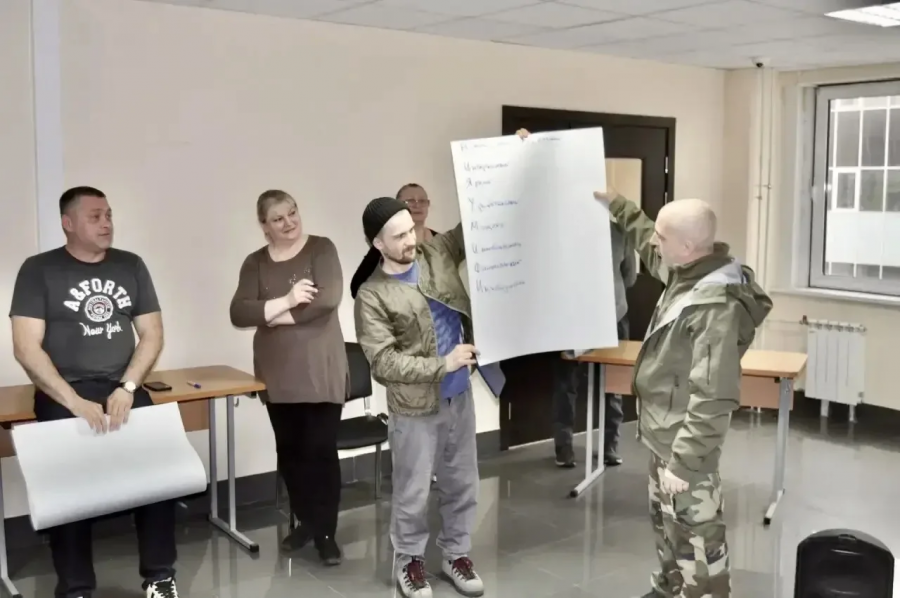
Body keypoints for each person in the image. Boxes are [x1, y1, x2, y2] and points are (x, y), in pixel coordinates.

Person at [593, 187, 772, 598]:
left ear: (687, 246)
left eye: (663, 237)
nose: (655, 243)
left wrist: (685, 462)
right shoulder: (686, 271)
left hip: (686, 445)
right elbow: (645, 238)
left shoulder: (714, 306)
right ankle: (670, 587)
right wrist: (618, 204)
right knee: (667, 524)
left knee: (697, 538)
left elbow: (713, 396)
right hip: (665, 433)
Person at [9, 186, 177, 598]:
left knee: (159, 478)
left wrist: (128, 387)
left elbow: (152, 334)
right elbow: (26, 347)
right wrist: (73, 402)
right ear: (68, 223)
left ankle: (160, 577)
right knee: (70, 491)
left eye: (109, 215)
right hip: (64, 393)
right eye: (95, 216)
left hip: (123, 387)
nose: (106, 224)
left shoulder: (130, 265)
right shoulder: (38, 270)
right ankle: (76, 588)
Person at [354, 197, 482, 598]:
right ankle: (409, 561)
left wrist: (507, 173)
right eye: (399, 236)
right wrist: (443, 364)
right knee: (413, 493)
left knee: (462, 485)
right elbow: (384, 363)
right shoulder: (371, 296)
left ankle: (456, 554)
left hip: (460, 399)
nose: (411, 240)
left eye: (411, 230)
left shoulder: (437, 251)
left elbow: (476, 226)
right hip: (413, 411)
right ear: (378, 244)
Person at [229, 189, 347, 566]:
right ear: (264, 226)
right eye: (278, 218)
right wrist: (288, 301)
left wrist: (272, 317)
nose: (289, 222)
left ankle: (326, 533)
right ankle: (307, 523)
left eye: (292, 212)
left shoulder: (321, 249)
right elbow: (238, 312)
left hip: (320, 369)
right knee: (291, 452)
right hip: (276, 373)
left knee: (320, 451)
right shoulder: (255, 262)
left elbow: (327, 299)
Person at [552, 219, 636, 468]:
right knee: (573, 383)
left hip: (606, 317)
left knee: (601, 382)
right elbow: (629, 277)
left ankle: (574, 447)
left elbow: (629, 276)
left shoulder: (618, 232)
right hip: (582, 316)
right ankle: (598, 446)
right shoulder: (615, 231)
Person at [349, 183, 438, 299]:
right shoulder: (385, 246)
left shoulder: (441, 241)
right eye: (410, 201)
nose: (417, 205)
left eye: (422, 201)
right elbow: (357, 287)